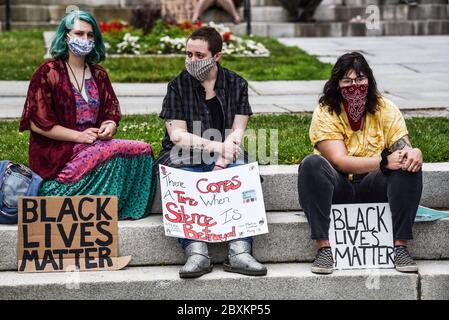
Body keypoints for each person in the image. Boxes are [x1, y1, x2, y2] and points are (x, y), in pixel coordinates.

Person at [19, 10, 157, 220]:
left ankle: (111, 208)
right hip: (61, 151)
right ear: (65, 37)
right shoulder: (48, 73)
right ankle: (55, 194)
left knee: (142, 150)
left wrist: (109, 126)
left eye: (90, 35)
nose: (85, 39)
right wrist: (79, 136)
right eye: (79, 33)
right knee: (111, 152)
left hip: (95, 144)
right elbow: (37, 122)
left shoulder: (99, 74)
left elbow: (111, 111)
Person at [155, 26, 267, 278]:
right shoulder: (177, 86)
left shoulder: (236, 83)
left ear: (217, 56)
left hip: (226, 152)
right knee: (179, 180)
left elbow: (237, 131)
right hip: (182, 154)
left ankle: (240, 252)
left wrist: (224, 159)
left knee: (244, 175)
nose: (192, 61)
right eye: (188, 54)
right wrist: (217, 148)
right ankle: (196, 253)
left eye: (199, 55)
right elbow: (177, 136)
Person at [297, 52, 423, 274]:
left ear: (369, 80)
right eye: (347, 81)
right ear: (336, 84)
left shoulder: (385, 108)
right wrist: (384, 163)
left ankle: (400, 247)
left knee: (407, 164)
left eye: (360, 79)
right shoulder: (326, 111)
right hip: (340, 186)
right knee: (311, 164)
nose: (354, 86)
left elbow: (402, 148)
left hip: (374, 185)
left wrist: (413, 153)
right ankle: (325, 249)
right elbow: (340, 161)